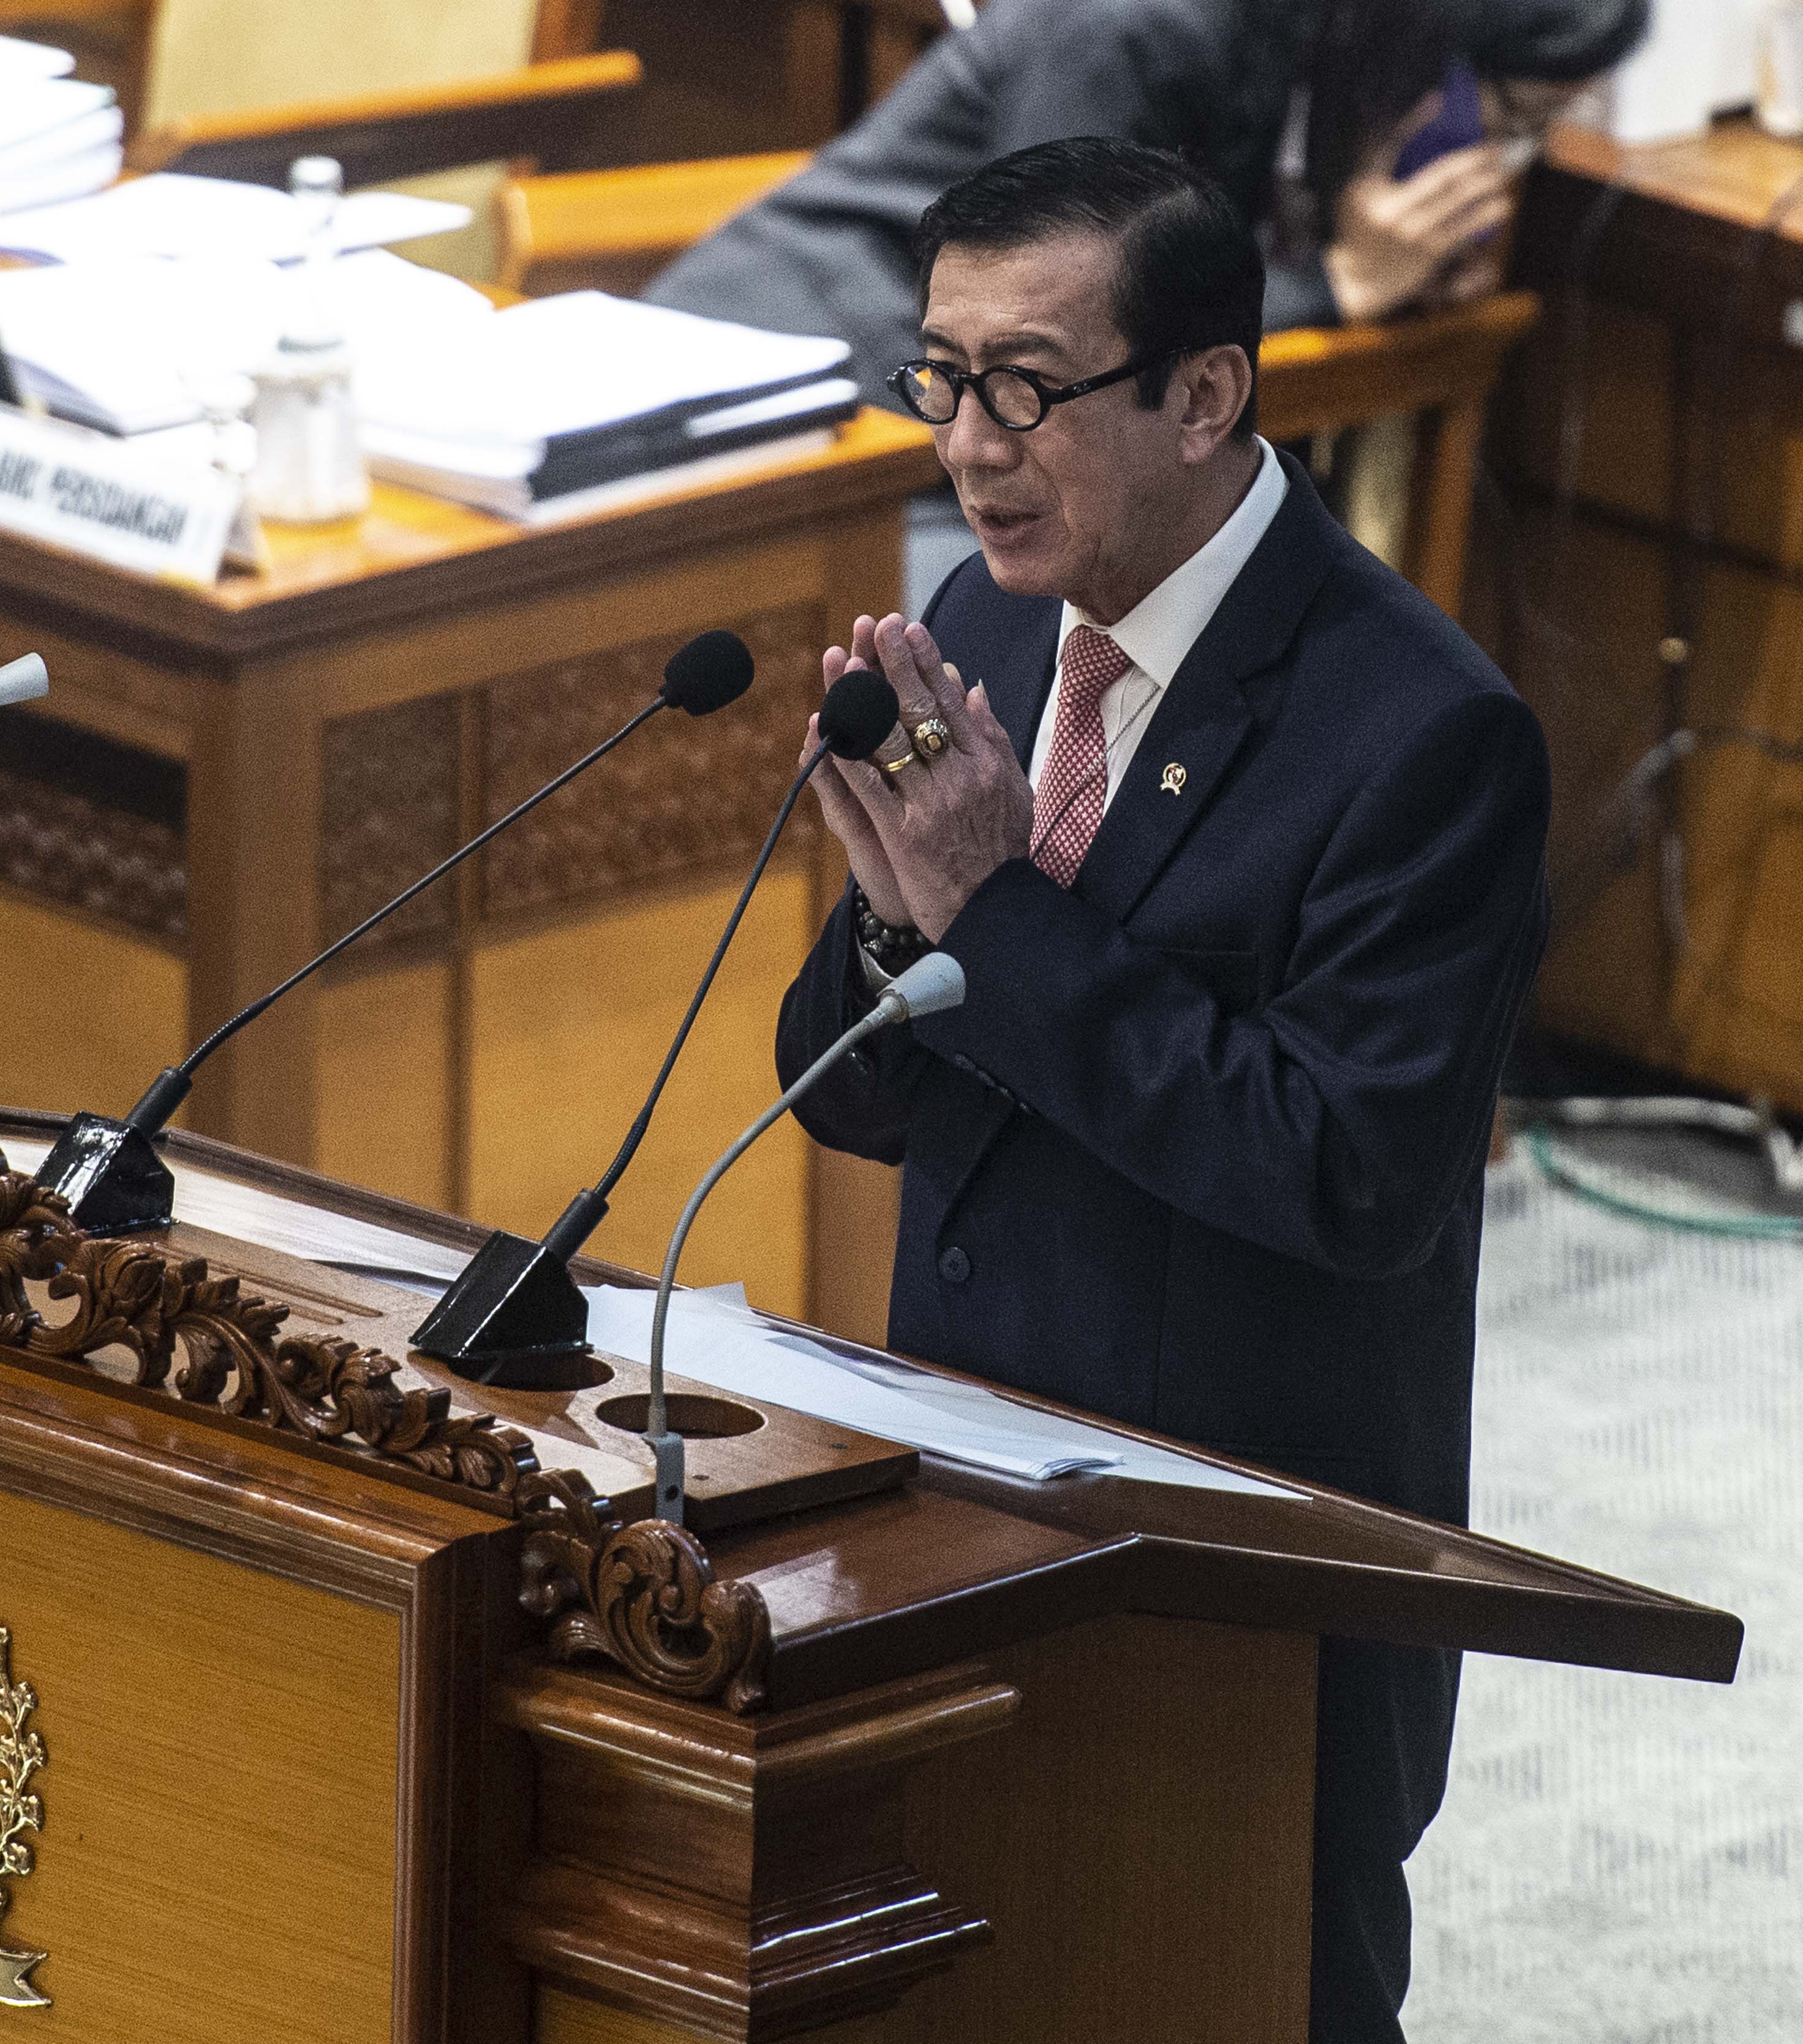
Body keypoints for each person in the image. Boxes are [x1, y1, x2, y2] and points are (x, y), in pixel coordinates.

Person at [775, 138, 1548, 2043]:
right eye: (940, 378)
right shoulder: (973, 624)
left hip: (1243, 1586)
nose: (968, 443)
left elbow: (1346, 1167)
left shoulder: (1425, 734)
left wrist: (987, 914)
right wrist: (895, 936)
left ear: (1207, 392)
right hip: (957, 1509)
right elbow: (845, 1091)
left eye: (1028, 385)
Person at [649, 0, 1647, 606]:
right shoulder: (1134, 25)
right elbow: (1047, 321)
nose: (1493, 161)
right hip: (798, 416)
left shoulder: (1295, 45)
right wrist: (1333, 287)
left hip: (966, 434)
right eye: (1509, 116)